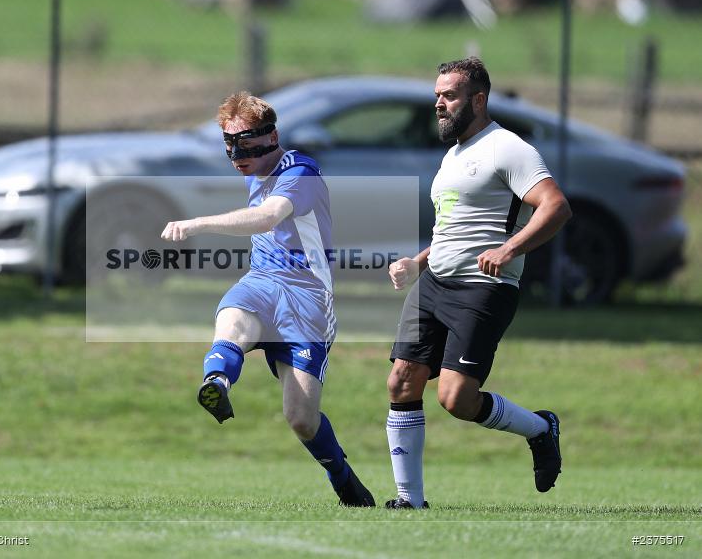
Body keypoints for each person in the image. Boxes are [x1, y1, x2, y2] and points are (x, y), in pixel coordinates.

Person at [160, 91, 375, 507]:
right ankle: (217, 381)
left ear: (272, 136)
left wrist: (198, 224)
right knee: (234, 318)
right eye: (229, 143)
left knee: (301, 419)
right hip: (262, 282)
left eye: (244, 142)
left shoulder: (299, 169)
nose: (236, 153)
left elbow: (268, 216)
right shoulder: (253, 166)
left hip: (307, 299)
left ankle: (342, 475)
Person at [383, 57, 572, 510]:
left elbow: (556, 207)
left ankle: (541, 429)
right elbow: (452, 229)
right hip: (433, 284)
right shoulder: (453, 156)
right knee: (401, 381)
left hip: (483, 289)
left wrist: (510, 249)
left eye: (449, 96)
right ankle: (409, 501)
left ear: (478, 99)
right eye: (437, 96)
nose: (440, 105)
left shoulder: (509, 149)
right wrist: (417, 262)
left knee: (455, 398)